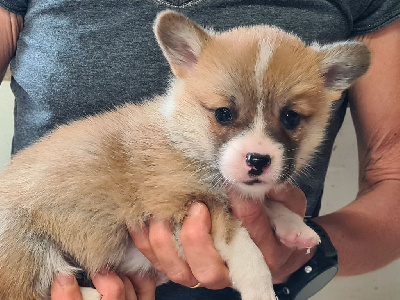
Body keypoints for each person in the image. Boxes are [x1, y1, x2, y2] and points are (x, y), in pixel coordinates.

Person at [1, 1, 400, 299]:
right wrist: (255, 278)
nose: (258, 146)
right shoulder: (163, 141)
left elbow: (392, 172)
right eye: (225, 115)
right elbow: (190, 208)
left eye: (291, 119)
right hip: (35, 232)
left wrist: (308, 247)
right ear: (184, 60)